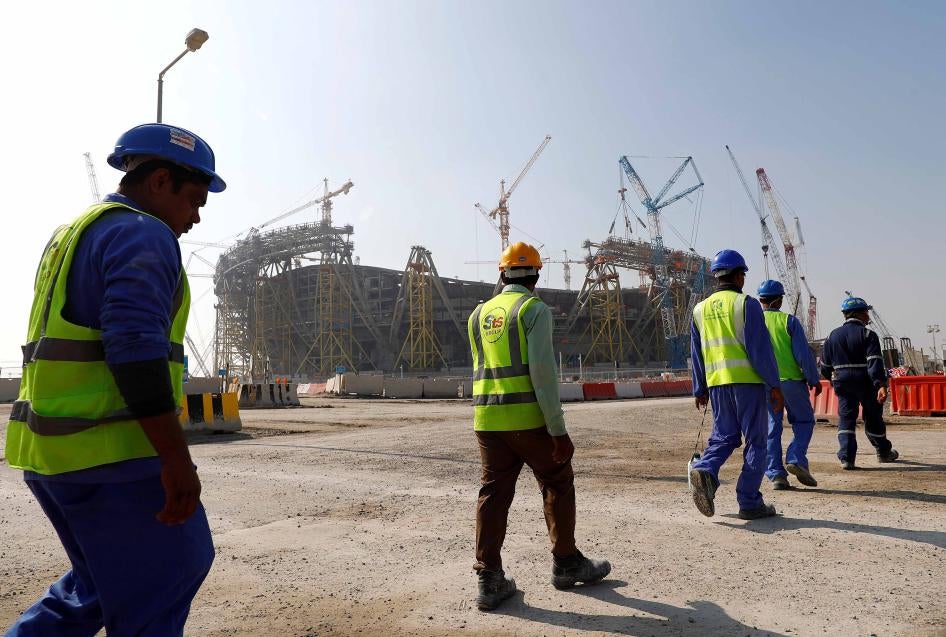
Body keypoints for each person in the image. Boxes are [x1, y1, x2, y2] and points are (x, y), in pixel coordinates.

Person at [5, 123, 225, 636]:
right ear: (160, 181)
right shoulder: (142, 232)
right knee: (168, 577)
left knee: (97, 588)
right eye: (194, 199)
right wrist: (176, 460)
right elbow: (135, 351)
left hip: (52, 455)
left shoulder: (74, 233)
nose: (194, 217)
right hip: (113, 459)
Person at [468, 241, 610, 612]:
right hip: (528, 420)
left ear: (501, 274)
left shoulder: (478, 314)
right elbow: (544, 375)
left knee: (494, 493)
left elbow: (480, 368)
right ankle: (566, 563)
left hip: (487, 419)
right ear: (536, 276)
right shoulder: (534, 310)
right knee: (557, 480)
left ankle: (489, 578)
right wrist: (558, 430)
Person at [688, 250, 784, 520]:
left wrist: (700, 388)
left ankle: (705, 470)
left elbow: (696, 353)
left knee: (724, 437)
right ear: (740, 276)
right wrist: (774, 385)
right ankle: (749, 501)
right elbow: (760, 350)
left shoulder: (699, 309)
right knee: (757, 442)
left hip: (718, 385)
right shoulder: (747, 304)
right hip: (748, 384)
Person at [757, 280, 823, 490]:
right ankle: (795, 457)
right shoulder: (789, 322)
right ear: (780, 299)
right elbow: (803, 355)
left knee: (772, 427)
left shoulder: (752, 323)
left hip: (764, 384)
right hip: (791, 382)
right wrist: (814, 379)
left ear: (761, 300)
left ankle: (776, 474)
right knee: (803, 422)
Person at [820, 297, 899, 469]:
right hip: (866, 382)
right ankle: (883, 452)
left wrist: (833, 381)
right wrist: (880, 385)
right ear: (859, 313)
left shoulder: (831, 336)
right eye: (866, 312)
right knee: (873, 417)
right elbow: (874, 362)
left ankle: (847, 458)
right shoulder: (868, 335)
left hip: (842, 382)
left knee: (846, 419)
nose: (868, 316)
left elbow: (825, 366)